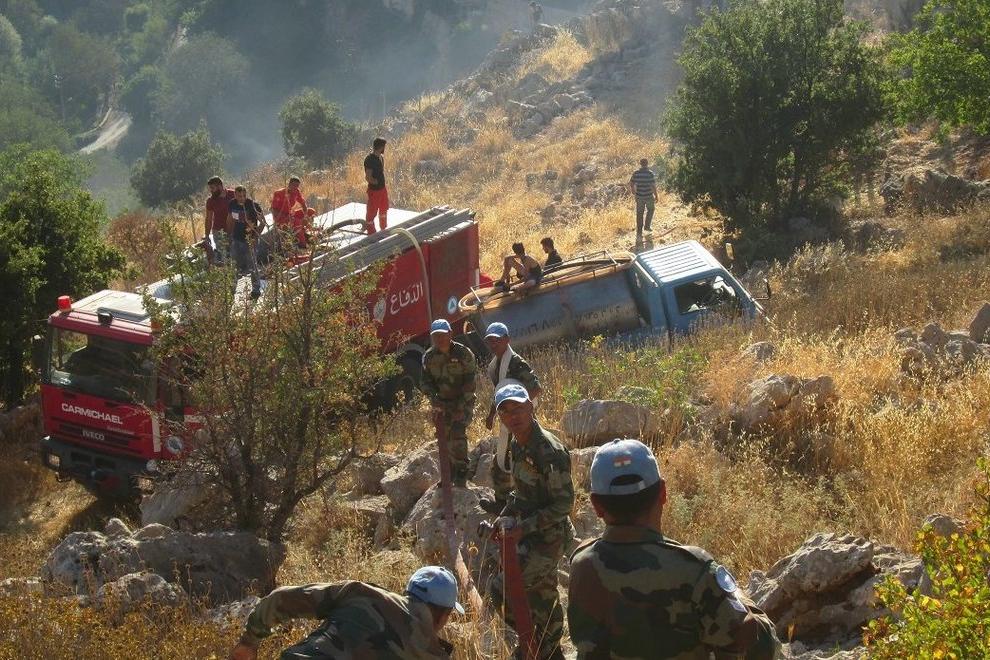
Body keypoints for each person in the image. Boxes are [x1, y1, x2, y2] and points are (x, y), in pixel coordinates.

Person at [567, 439, 782, 659]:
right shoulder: (694, 569)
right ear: (663, 493)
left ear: (597, 506)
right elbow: (759, 643)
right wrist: (738, 596)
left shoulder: (582, 564)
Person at [487, 383, 573, 660]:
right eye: (506, 411)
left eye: (518, 408)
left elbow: (563, 505)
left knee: (502, 589)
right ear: (500, 418)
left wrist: (523, 527)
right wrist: (505, 514)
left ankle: (535, 644)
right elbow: (521, 492)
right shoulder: (517, 443)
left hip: (551, 537)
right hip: (531, 534)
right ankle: (548, 649)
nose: (513, 416)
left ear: (530, 407)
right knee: (543, 594)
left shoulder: (549, 450)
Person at [228, 565, 462, 660]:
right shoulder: (435, 656)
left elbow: (281, 599)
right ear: (445, 616)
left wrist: (249, 641)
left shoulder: (360, 593)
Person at [480, 322, 542, 514]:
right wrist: (492, 414)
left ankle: (526, 503)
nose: (493, 345)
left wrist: (519, 411)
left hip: (521, 422)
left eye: (497, 340)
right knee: (501, 459)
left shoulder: (516, 362)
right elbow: (500, 392)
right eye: (490, 341)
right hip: (508, 420)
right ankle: (502, 502)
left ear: (507, 339)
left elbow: (535, 388)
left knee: (522, 460)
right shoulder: (496, 364)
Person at [420, 319, 477, 487]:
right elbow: (425, 382)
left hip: (463, 402)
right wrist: (433, 397)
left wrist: (460, 407)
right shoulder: (429, 357)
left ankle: (461, 472)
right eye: (436, 336)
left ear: (450, 334)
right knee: (443, 437)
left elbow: (470, 383)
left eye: (442, 335)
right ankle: (448, 473)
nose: (439, 339)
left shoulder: (464, 354)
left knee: (457, 433)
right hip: (441, 404)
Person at [228, 186, 265, 299]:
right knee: (234, 265)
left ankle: (256, 290)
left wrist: (255, 237)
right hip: (236, 239)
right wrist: (229, 235)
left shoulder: (253, 206)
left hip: (250, 240)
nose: (242, 198)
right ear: (235, 195)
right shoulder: (232, 204)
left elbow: (263, 222)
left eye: (244, 196)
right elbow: (230, 219)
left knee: (252, 265)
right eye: (239, 196)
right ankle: (231, 290)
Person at [270, 175, 309, 249]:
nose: (295, 187)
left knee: (311, 211)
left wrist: (306, 216)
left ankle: (305, 233)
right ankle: (303, 245)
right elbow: (273, 210)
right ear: (289, 184)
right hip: (280, 218)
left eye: (297, 186)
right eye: (294, 185)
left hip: (290, 215)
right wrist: (285, 217)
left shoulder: (296, 192)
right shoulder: (279, 193)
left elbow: (303, 204)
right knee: (297, 221)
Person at [204, 176, 235, 266]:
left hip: (233, 229)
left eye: (212, 188)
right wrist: (207, 235)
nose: (211, 191)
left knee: (235, 254)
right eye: (210, 188)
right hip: (218, 232)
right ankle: (226, 272)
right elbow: (208, 219)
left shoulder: (233, 194)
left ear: (220, 186)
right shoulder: (210, 201)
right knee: (223, 256)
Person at [364, 137, 389, 234]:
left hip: (382, 189)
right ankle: (371, 234)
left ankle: (383, 229)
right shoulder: (370, 160)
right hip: (374, 191)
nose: (384, 149)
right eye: (384, 147)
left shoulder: (381, 158)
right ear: (381, 147)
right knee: (371, 213)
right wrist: (375, 182)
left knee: (383, 209)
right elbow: (368, 177)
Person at [629, 158, 659, 237]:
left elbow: (631, 183)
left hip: (639, 196)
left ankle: (639, 231)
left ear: (640, 164)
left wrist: (633, 191)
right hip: (649, 196)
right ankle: (647, 226)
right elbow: (653, 186)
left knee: (639, 213)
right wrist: (656, 196)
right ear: (647, 164)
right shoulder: (650, 173)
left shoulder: (636, 173)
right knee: (651, 210)